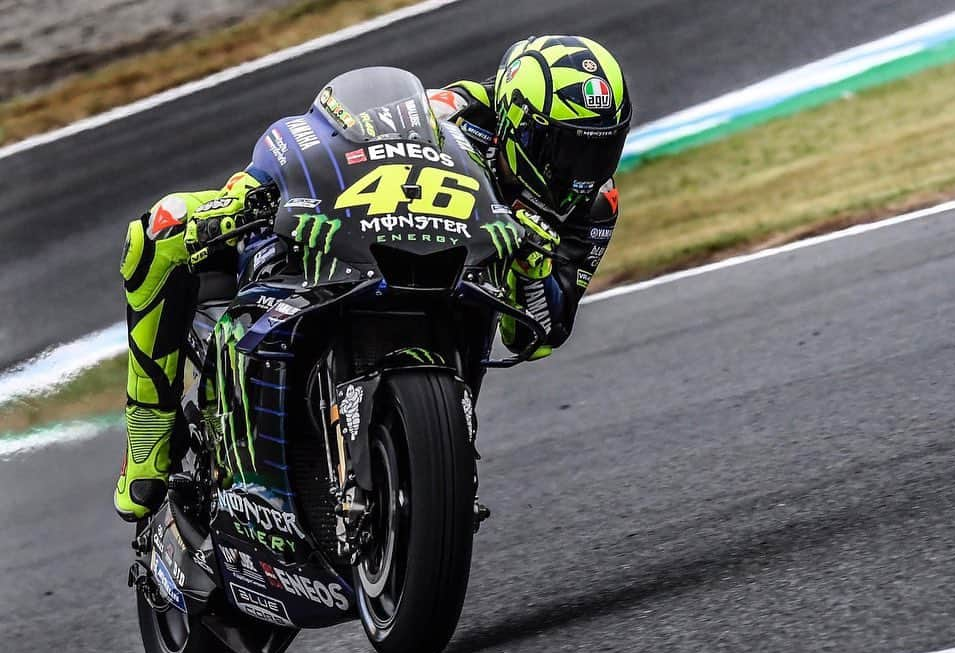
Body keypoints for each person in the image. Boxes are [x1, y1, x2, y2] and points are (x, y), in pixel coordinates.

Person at [115, 35, 632, 521]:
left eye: (600, 152)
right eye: (565, 150)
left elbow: (536, 335)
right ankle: (148, 440)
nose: (582, 173)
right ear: (516, 123)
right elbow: (334, 140)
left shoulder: (593, 208)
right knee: (158, 232)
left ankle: (416, 466)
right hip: (362, 245)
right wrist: (251, 191)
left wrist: (531, 265)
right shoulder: (456, 111)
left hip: (452, 307)